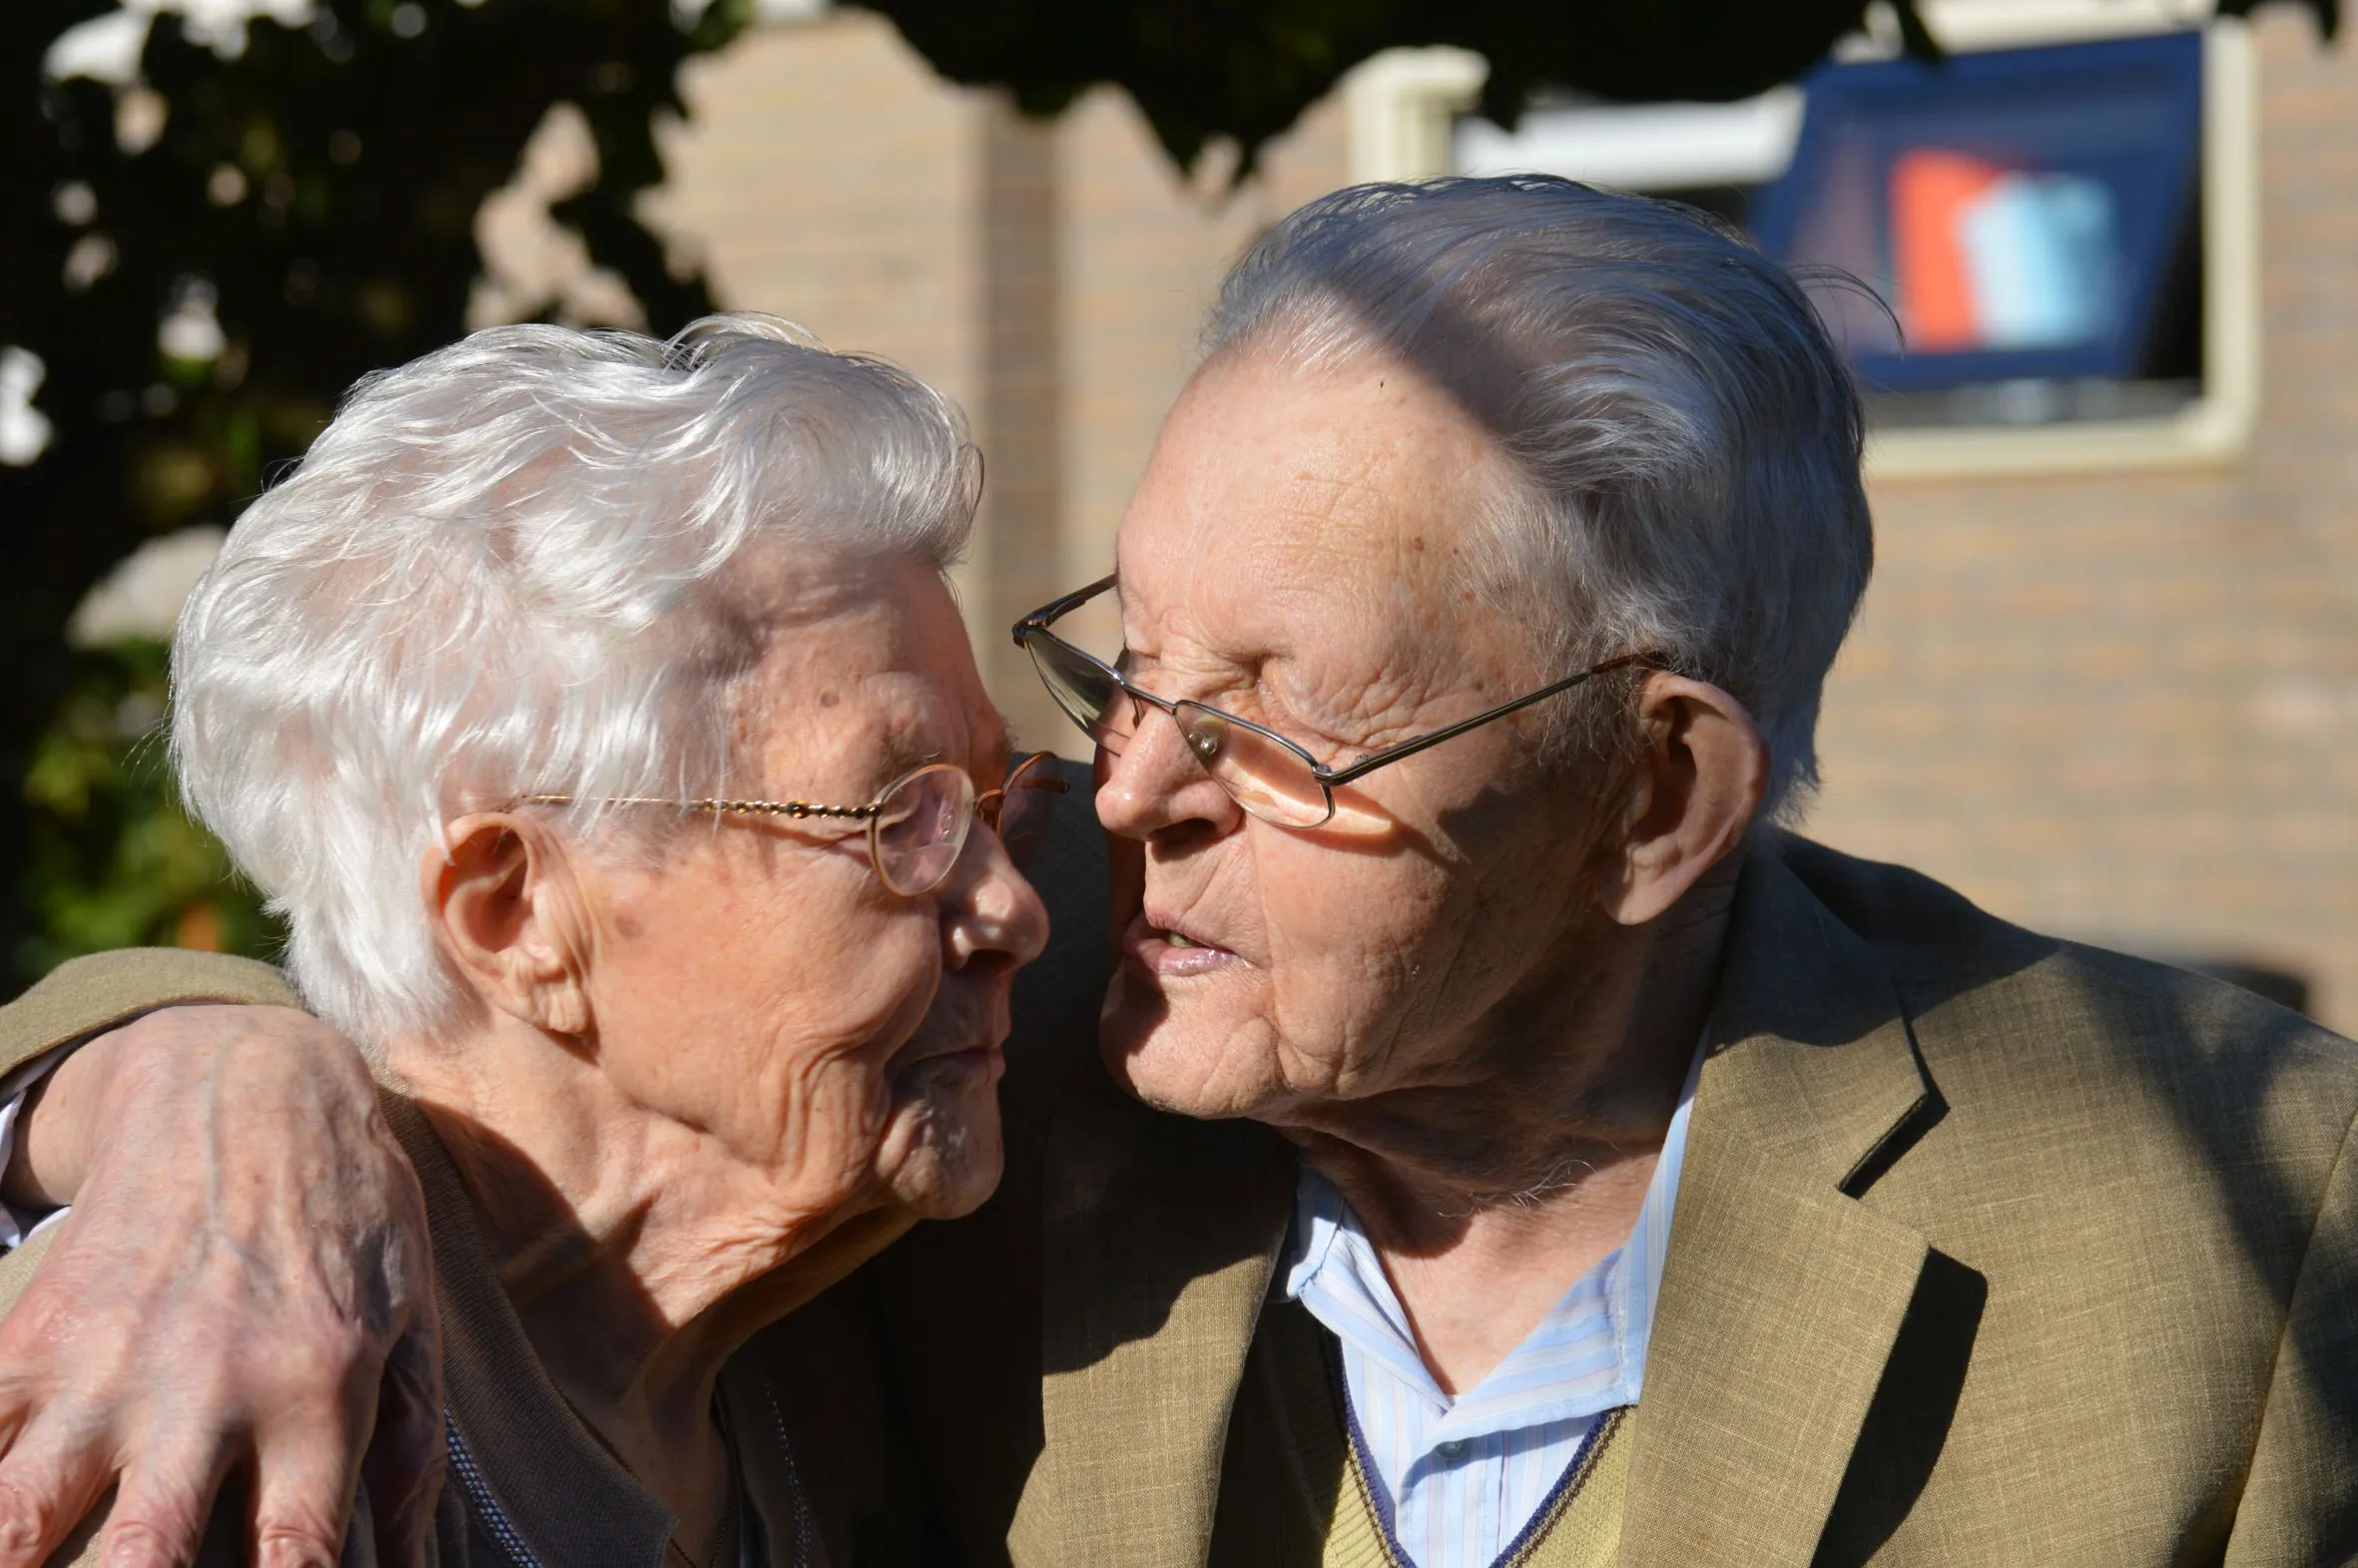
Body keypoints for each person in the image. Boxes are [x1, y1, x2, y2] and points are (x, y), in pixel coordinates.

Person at [1, 177, 2354, 1567]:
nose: (1109, 809)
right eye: (1125, 671)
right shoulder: (984, 1058)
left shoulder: (2229, 1222)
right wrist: (211, 1092)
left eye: (1269, 716)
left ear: (1652, 803)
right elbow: (456, 1020)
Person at [0, 314, 1061, 1565]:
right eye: (901, 814)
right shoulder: (197, 1422)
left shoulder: (828, 1358)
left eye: (991, 800)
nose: (1016, 908)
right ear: (516, 912)